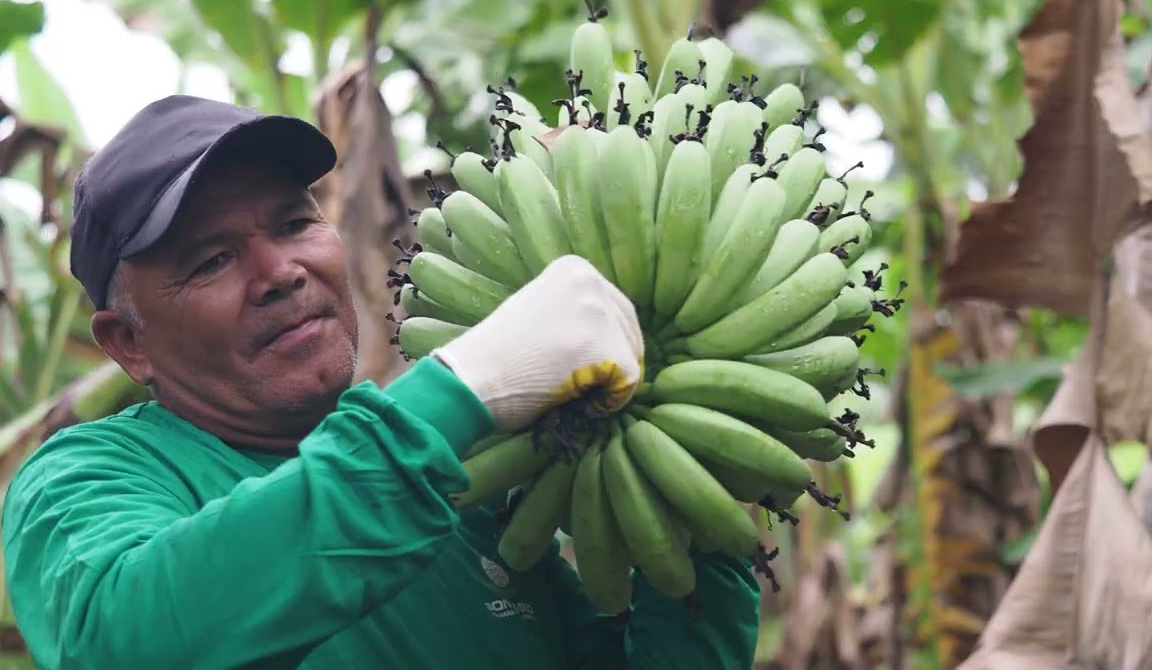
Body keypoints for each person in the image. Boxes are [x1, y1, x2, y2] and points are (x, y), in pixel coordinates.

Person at [1, 95, 761, 670]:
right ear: (129, 344)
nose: (281, 272)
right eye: (212, 261)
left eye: (296, 224)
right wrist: (464, 389)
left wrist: (693, 517)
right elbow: (126, 643)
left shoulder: (466, 490)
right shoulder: (83, 482)